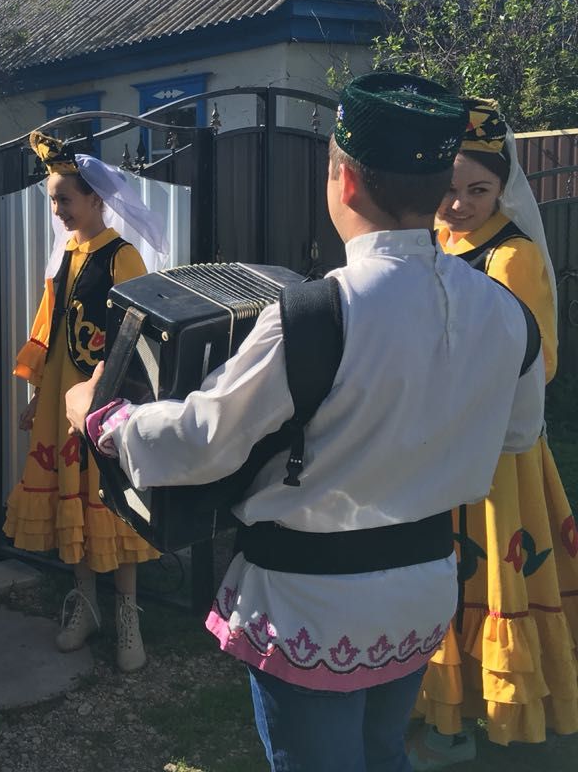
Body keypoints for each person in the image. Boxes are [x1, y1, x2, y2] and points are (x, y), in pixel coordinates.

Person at [65, 72, 546, 771]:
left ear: (342, 181)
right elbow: (518, 433)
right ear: (443, 185)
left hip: (313, 603)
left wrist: (102, 417)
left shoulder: (315, 313)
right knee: (383, 752)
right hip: (423, 588)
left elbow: (202, 442)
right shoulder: (508, 313)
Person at [408, 99, 578, 768]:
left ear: (501, 188)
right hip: (439, 439)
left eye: (477, 191)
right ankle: (451, 711)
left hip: (494, 449)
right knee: (447, 570)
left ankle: (488, 714)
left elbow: (536, 362)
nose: (459, 205)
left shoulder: (512, 256)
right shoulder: (440, 241)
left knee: (490, 572)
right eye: (448, 191)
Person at [3, 131, 167, 672]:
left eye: (64, 199)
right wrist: (36, 395)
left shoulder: (122, 258)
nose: (57, 210)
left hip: (103, 401)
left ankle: (127, 613)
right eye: (52, 200)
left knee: (110, 501)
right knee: (70, 498)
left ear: (96, 198)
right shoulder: (66, 256)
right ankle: (86, 605)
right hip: (59, 400)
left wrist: (116, 399)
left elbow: (137, 337)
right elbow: (47, 328)